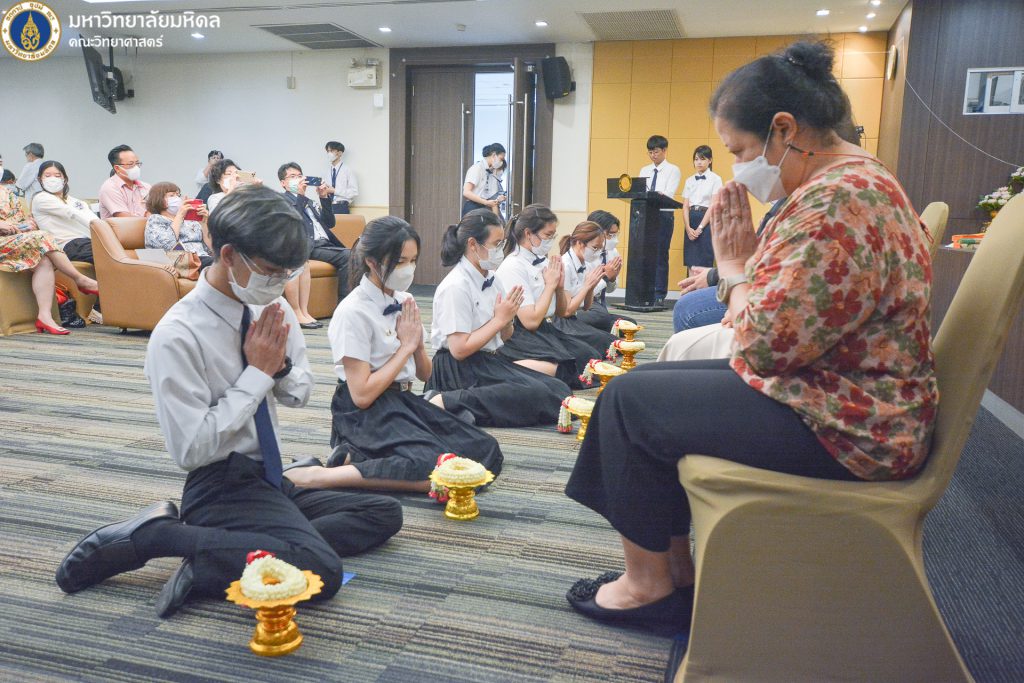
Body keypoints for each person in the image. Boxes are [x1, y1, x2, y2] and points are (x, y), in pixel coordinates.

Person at [563, 41, 937, 635]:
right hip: (850, 395)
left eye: (738, 150)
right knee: (648, 386)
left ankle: (647, 587)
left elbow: (760, 344)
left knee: (628, 402)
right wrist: (740, 271)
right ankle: (674, 574)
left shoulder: (835, 203)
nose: (737, 166)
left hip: (851, 423)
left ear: (783, 129)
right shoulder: (852, 182)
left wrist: (735, 268)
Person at [55, 185, 403, 619]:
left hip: (270, 476)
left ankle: (225, 554)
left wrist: (277, 368)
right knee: (323, 572)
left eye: (288, 273)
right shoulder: (179, 334)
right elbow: (190, 451)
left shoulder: (269, 307)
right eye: (272, 271)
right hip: (220, 484)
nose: (280, 283)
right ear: (228, 255)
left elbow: (299, 395)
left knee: (383, 513)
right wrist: (256, 374)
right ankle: (159, 536)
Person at [282, 216, 503, 493]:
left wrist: (417, 345)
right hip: (365, 412)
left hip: (402, 400)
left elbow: (426, 374)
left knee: (485, 450)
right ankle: (318, 476)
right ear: (372, 262)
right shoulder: (353, 311)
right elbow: (362, 395)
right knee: (438, 469)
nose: (408, 269)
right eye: (400, 262)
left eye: (413, 260)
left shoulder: (404, 300)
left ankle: (358, 456)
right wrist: (405, 347)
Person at [424, 209, 571, 427]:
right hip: (456, 369)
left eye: (502, 243)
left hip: (487, 360)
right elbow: (459, 349)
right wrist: (499, 320)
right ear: (473, 245)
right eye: (496, 244)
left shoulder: (492, 279)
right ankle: (446, 401)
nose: (500, 250)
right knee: (535, 393)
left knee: (559, 389)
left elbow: (505, 335)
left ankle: (466, 408)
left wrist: (507, 320)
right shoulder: (455, 286)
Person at [494, 204, 599, 389]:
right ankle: (511, 367)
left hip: (546, 326)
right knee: (565, 370)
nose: (551, 241)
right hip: (520, 334)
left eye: (553, 236)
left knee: (589, 356)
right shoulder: (513, 266)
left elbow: (561, 312)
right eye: (548, 235)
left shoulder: (542, 260)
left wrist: (559, 287)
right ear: (528, 234)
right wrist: (550, 286)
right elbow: (530, 322)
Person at [1, 181, 99, 335]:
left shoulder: (7, 193)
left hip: (12, 242)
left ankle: (44, 316)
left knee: (43, 261)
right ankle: (80, 279)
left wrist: (20, 226)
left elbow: (26, 222)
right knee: (43, 236)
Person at [279, 162, 351, 327]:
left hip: (324, 244)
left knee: (358, 254)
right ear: (283, 183)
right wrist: (300, 196)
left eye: (299, 176)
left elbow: (330, 223)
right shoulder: (281, 200)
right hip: (307, 246)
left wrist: (324, 198)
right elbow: (293, 221)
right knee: (348, 255)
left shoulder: (310, 202)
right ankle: (343, 308)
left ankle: (354, 306)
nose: (298, 179)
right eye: (292, 176)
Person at [553, 221, 617, 356]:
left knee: (612, 341)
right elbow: (566, 311)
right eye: (595, 248)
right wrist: (587, 286)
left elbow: (587, 306)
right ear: (579, 243)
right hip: (561, 321)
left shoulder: (584, 264)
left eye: (600, 249)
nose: (597, 253)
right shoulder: (566, 265)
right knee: (604, 345)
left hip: (574, 318)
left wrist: (591, 286)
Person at [31, 161, 103, 265]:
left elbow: (91, 217)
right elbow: (72, 213)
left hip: (89, 241)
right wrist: (103, 230)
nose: (52, 179)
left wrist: (106, 232)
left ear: (64, 179)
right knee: (109, 257)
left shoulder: (75, 201)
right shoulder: (41, 198)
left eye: (57, 176)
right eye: (47, 175)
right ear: (40, 179)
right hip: (69, 244)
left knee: (119, 254)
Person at [638, 135, 681, 309]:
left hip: (663, 215)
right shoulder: (644, 170)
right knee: (644, 254)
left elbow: (668, 194)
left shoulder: (673, 170)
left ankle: (659, 294)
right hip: (646, 215)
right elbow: (640, 192)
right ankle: (644, 292)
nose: (653, 155)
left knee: (660, 255)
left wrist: (655, 195)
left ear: (664, 150)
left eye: (656, 152)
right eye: (650, 152)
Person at [578, 210, 635, 332]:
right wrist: (605, 277)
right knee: (601, 316)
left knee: (630, 323)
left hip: (598, 305)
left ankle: (596, 326)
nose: (615, 240)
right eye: (610, 235)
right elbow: (583, 293)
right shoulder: (584, 253)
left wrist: (612, 279)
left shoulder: (612, 252)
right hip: (581, 304)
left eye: (616, 234)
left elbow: (610, 290)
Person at [144, 182, 213, 270]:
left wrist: (204, 223)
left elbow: (210, 248)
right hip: (181, 262)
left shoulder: (191, 221)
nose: (177, 198)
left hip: (203, 258)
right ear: (158, 199)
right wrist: (180, 216)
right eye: (172, 195)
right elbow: (167, 246)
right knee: (219, 265)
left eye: (178, 195)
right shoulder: (156, 219)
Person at [681, 145, 723, 271]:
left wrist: (700, 228)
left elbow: (713, 205)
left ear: (710, 160)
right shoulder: (689, 180)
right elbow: (685, 206)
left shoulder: (716, 179)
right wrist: (688, 227)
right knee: (690, 262)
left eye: (702, 159)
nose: (699, 162)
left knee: (704, 261)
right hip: (691, 219)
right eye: (696, 159)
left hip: (707, 221)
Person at [98, 145, 151, 219]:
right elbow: (125, 219)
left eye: (137, 163)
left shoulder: (146, 187)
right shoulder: (109, 188)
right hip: (124, 226)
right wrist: (149, 217)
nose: (136, 167)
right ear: (117, 168)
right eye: (131, 164)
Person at [462, 143, 506, 217]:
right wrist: (485, 202)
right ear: (494, 155)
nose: (501, 162)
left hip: (484, 207)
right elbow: (466, 192)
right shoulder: (477, 168)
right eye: (501, 159)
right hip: (473, 207)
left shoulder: (490, 171)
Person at [325, 141, 358, 215]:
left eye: (332, 151)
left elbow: (354, 192)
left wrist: (335, 191)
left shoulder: (348, 170)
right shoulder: (327, 171)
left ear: (340, 153)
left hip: (341, 206)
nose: (329, 153)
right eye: (328, 151)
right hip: (328, 206)